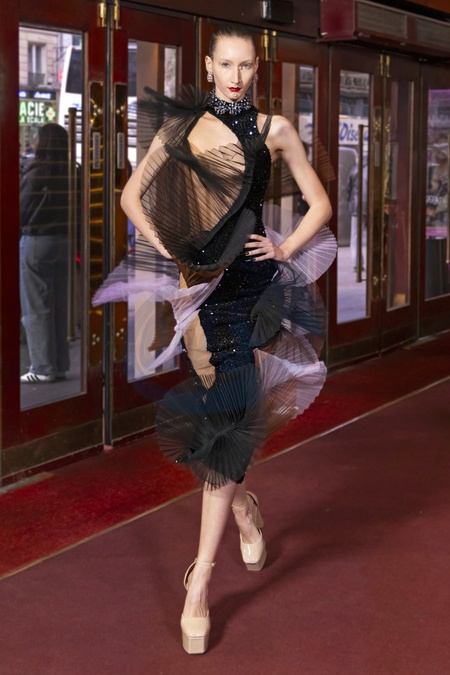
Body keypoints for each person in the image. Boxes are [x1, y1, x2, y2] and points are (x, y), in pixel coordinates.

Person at [96, 24, 335, 654]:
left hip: (252, 291)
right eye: (225, 65)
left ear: (257, 69)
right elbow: (130, 197)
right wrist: (172, 251)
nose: (235, 76)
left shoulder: (274, 129)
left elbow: (319, 205)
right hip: (199, 293)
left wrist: (284, 247)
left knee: (229, 423)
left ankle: (198, 581)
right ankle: (244, 506)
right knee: (223, 421)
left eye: (245, 66)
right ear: (209, 66)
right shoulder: (180, 130)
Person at [19, 123, 70, 383]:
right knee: (59, 307)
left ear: (43, 143)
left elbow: (20, 210)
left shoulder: (36, 172)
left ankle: (42, 367)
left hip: (37, 242)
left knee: (37, 308)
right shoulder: (72, 171)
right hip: (65, 243)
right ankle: (59, 364)